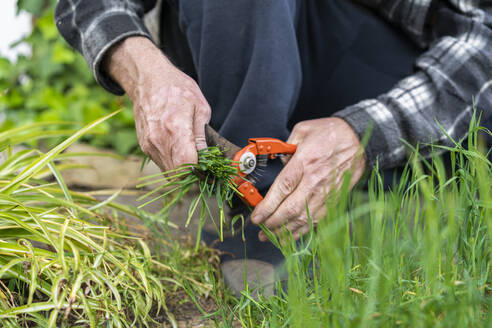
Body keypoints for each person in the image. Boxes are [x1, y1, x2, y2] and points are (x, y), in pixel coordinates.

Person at [55, 0, 491, 291]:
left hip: (415, 88)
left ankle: (346, 201)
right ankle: (258, 211)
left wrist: (364, 133)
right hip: (245, 45)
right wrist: (142, 69)